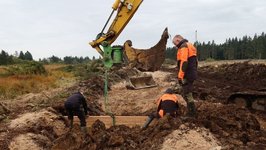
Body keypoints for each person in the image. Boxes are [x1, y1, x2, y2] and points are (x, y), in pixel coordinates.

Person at [172, 34, 198, 118]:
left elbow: (184, 62)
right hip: (191, 73)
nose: (175, 46)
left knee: (187, 93)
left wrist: (180, 76)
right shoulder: (190, 45)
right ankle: (192, 112)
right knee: (187, 92)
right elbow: (196, 61)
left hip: (187, 74)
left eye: (174, 43)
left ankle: (192, 114)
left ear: (177, 40)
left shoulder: (183, 46)